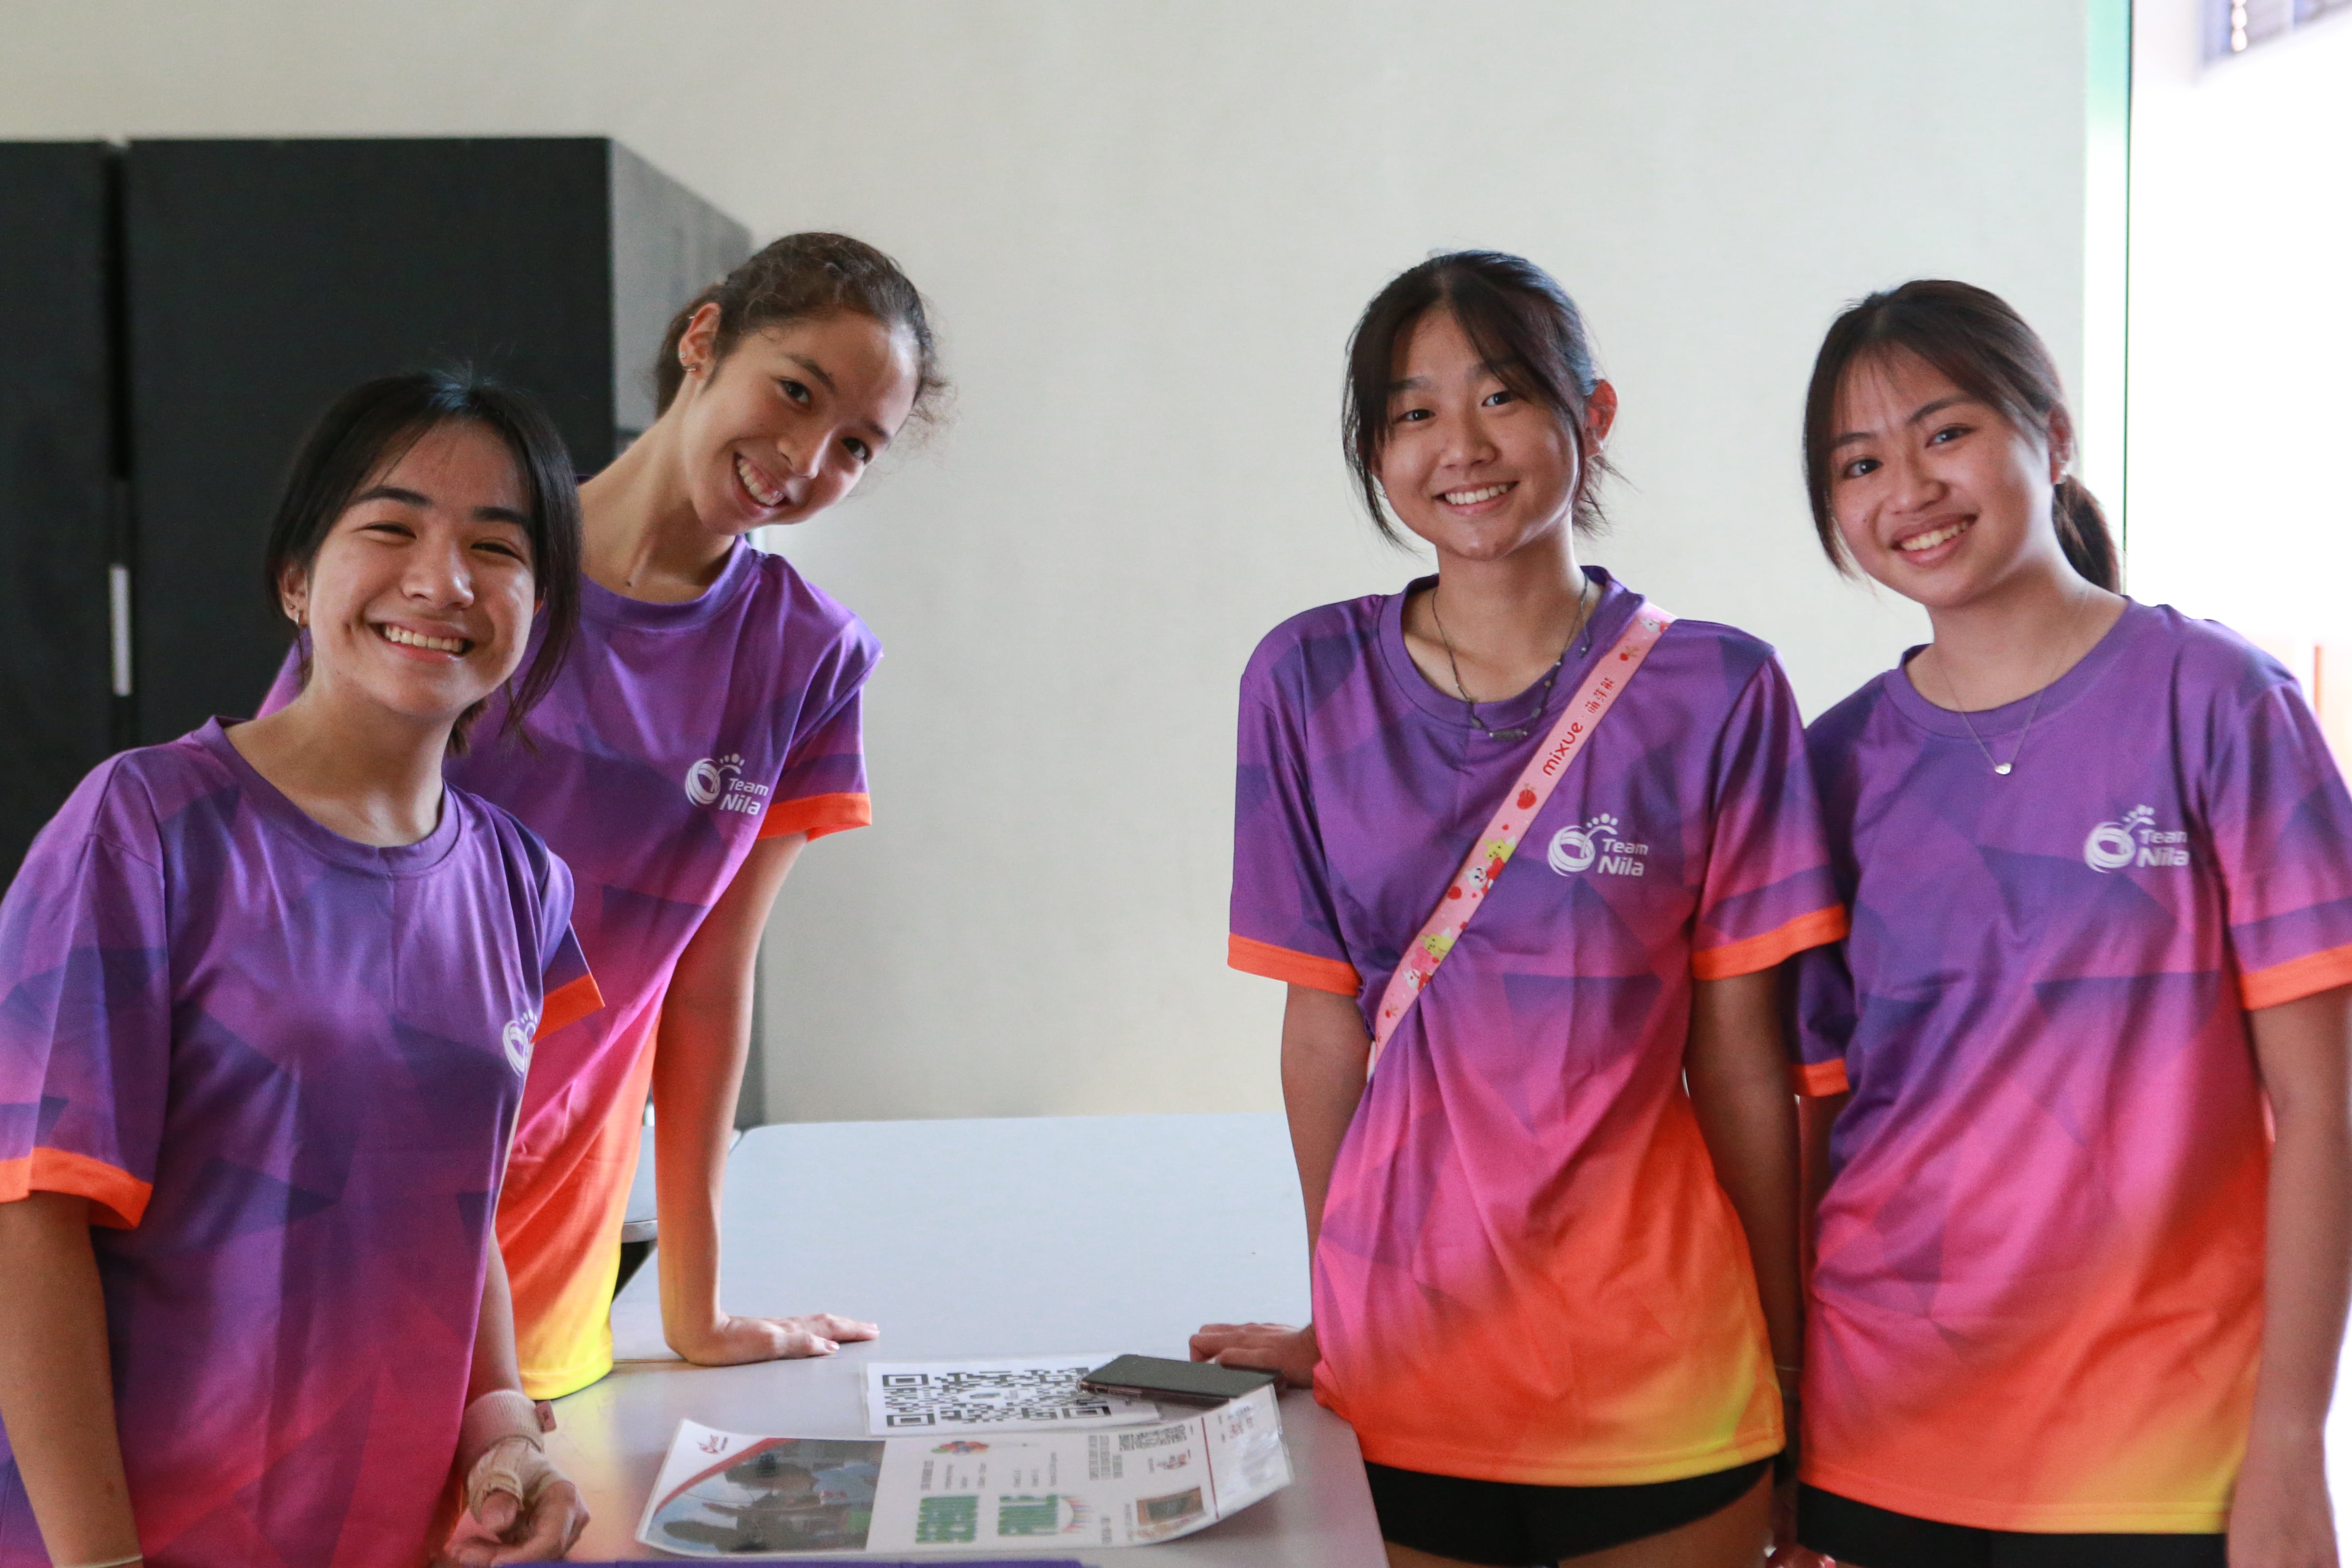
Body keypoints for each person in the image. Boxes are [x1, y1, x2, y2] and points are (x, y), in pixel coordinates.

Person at [1191, 251, 1846, 1567]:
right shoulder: (1305, 677)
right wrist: (1338, 1305)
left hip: (1665, 1364)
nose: (1458, 447)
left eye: (1498, 397)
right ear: (1374, 449)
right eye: (1410, 412)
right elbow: (1323, 1030)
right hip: (1414, 1362)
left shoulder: (1714, 690)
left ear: (1588, 415)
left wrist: (1786, 1360)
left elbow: (1736, 1066)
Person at [265, 233, 947, 1399]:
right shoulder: (471, 576)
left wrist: (695, 1306)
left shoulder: (807, 656)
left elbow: (709, 974)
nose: (804, 458)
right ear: (702, 339)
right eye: (795, 391)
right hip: (336, 1170)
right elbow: (285, 874)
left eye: (853, 448)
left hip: (553, 1215)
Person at [1791, 279, 2350, 1567]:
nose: (1907, 488)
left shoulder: (2216, 702)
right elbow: (1810, 1120)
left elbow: (2321, 1104)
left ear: (2048, 437)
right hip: (1879, 1428)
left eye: (1944, 434)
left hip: (2160, 1449)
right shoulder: (1835, 766)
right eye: (1859, 461)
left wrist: (2287, 1441)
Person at [0, 371, 598, 1567]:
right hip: (138, 1537)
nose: (445, 580)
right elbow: (31, 1225)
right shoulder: (144, 828)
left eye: (498, 546)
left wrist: (503, 1433)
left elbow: (456, 1203)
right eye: (390, 527)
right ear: (295, 578)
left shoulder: (523, 882)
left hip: (399, 1535)